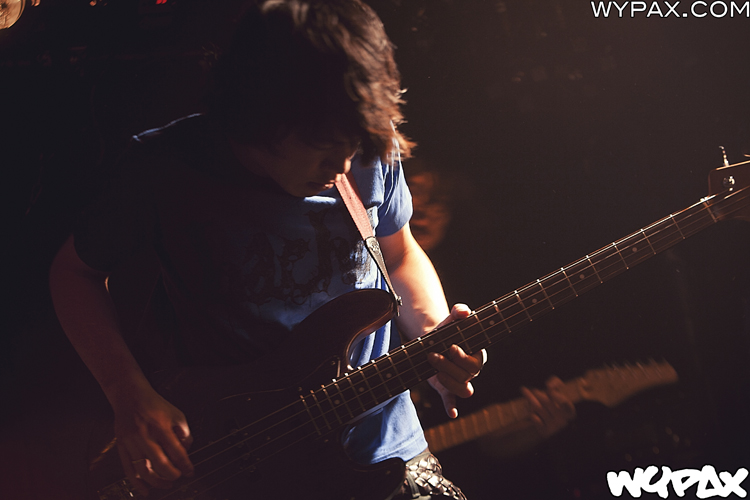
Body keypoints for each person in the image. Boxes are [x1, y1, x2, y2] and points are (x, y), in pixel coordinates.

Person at [48, 1, 572, 498]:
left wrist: (434, 333)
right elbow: (75, 274)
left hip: (386, 453)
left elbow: (400, 254)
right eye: (324, 149)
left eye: (354, 148)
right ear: (262, 117)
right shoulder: (165, 170)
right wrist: (127, 394)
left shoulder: (368, 144)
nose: (343, 168)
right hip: (244, 464)